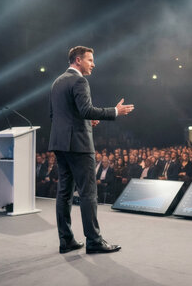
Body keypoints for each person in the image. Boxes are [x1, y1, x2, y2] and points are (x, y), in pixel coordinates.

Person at [49, 45, 134, 254]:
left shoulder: (57, 82)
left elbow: (58, 115)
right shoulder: (79, 81)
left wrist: (88, 121)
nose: (93, 64)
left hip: (60, 144)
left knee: (64, 194)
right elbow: (85, 109)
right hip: (78, 145)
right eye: (90, 60)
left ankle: (66, 240)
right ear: (78, 60)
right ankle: (94, 241)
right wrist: (115, 111)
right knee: (88, 194)